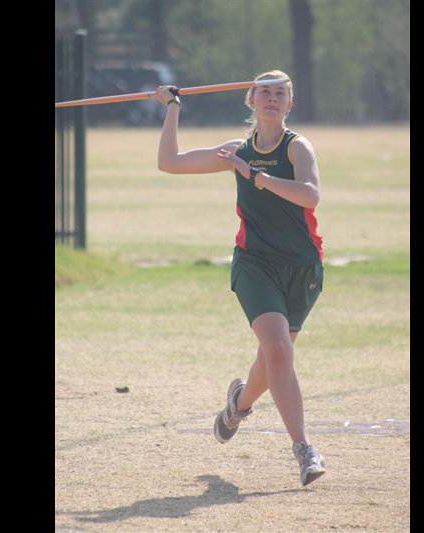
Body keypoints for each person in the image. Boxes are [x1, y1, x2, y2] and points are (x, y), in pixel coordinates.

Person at [155, 70, 326, 487]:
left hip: (302, 266)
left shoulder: (296, 147)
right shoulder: (237, 151)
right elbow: (169, 162)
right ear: (251, 101)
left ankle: (237, 405)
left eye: (280, 93)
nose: (272, 98)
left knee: (272, 359)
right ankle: (304, 449)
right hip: (254, 264)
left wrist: (255, 176)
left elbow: (310, 195)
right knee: (278, 350)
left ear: (289, 104)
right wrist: (173, 108)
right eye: (264, 92)